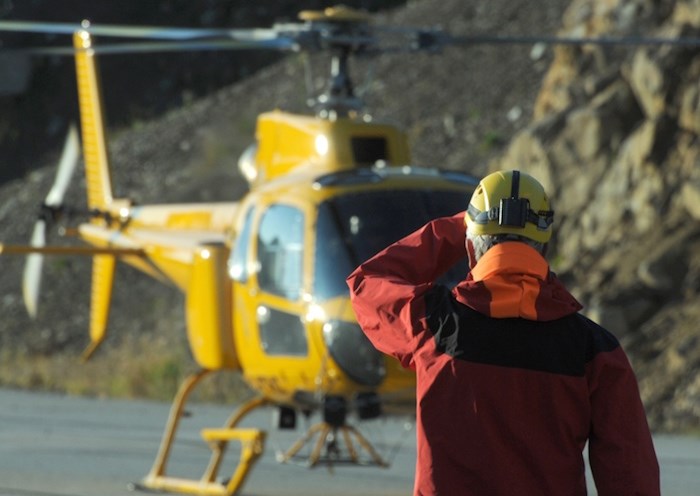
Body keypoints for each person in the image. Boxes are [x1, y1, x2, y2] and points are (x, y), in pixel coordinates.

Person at [346, 170, 659, 495]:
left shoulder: (431, 322)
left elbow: (367, 282)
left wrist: (460, 227)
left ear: (470, 248)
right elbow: (630, 472)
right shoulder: (595, 350)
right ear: (545, 247)